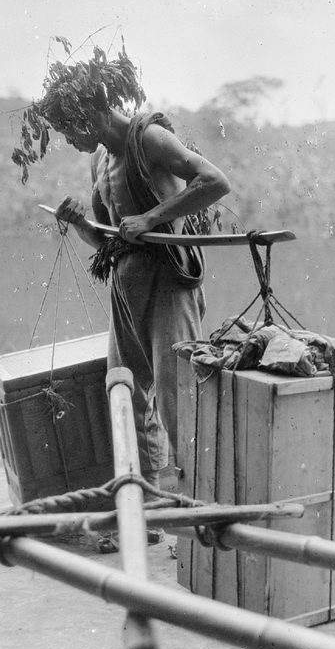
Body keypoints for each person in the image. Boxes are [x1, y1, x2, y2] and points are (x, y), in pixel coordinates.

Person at [19, 48, 230, 517]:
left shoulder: (150, 139)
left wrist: (153, 216)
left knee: (179, 398)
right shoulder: (98, 161)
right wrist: (77, 222)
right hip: (126, 283)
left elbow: (216, 182)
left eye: (71, 128)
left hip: (169, 278)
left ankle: (199, 512)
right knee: (126, 391)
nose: (69, 140)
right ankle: (148, 511)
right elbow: (110, 240)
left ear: (92, 111)